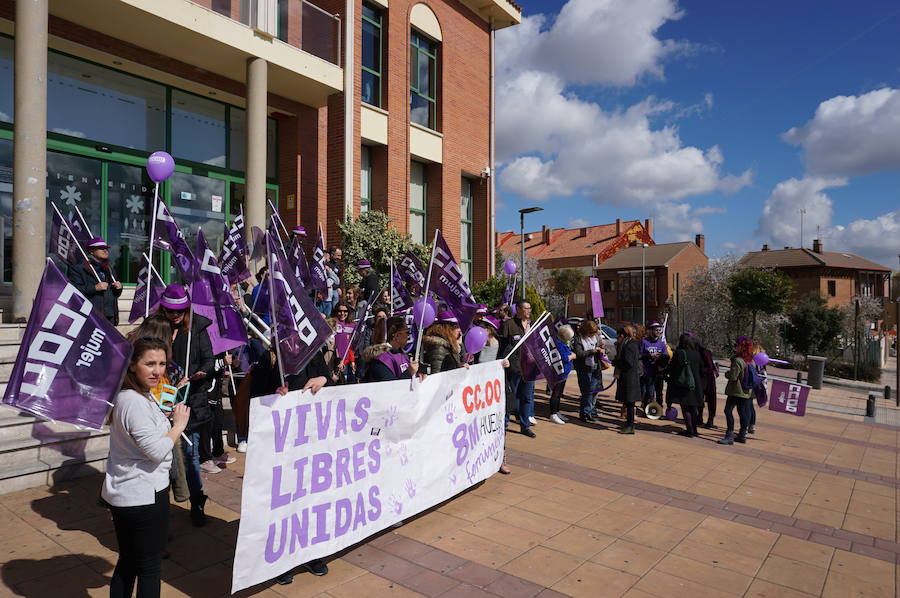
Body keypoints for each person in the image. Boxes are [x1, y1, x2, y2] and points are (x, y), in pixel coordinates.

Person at [102, 337, 190, 598]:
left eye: (162, 363)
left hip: (127, 493)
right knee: (149, 568)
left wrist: (164, 419)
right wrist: (178, 426)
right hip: (143, 496)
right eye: (149, 363)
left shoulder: (137, 396)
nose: (157, 371)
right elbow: (155, 451)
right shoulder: (133, 401)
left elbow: (146, 434)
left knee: (128, 561)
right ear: (131, 365)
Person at [249, 343, 331, 583]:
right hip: (280, 443)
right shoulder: (269, 359)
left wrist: (322, 380)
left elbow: (330, 380)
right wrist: (274, 395)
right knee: (283, 501)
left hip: (310, 439)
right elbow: (256, 397)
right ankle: (280, 558)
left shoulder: (311, 353)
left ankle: (309, 552)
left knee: (309, 496)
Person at [157, 285, 215, 526]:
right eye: (171, 311)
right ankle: (160, 508)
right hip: (160, 400)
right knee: (161, 456)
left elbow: (209, 360)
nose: (175, 315)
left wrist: (198, 373)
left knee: (190, 455)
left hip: (189, 400)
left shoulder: (197, 329)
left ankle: (196, 501)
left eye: (180, 310)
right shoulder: (157, 328)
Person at [498, 300, 536, 438]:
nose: (528, 311)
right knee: (510, 397)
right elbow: (502, 346)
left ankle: (525, 426)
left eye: (529, 308)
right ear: (518, 310)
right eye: (526, 308)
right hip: (514, 368)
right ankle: (504, 425)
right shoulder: (509, 325)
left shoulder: (534, 325)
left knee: (527, 398)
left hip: (530, 368)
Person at [68, 236, 123, 325]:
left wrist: (119, 288)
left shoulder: (109, 269)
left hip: (110, 317)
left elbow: (116, 294)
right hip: (92, 317)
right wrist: (95, 288)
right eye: (101, 248)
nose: (105, 251)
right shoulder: (79, 269)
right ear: (91, 251)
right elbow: (74, 290)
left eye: (106, 248)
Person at [666, 333, 706, 437]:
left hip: (683, 384)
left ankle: (689, 430)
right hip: (695, 384)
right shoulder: (697, 354)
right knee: (693, 407)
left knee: (685, 407)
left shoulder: (679, 353)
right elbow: (702, 369)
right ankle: (694, 429)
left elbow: (672, 368)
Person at [718, 337, 755, 445]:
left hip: (735, 391)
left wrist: (726, 374)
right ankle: (742, 435)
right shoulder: (750, 360)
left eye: (737, 345)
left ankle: (729, 435)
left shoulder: (738, 361)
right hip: (746, 391)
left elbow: (733, 377)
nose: (735, 347)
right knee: (743, 412)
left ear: (741, 347)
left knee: (728, 410)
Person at [364, 316, 421, 381]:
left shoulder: (401, 354)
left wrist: (417, 377)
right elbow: (389, 387)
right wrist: (409, 373)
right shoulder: (381, 359)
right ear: (397, 336)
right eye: (407, 332)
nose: (408, 335)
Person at [572, 319, 605, 422]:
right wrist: (592, 351)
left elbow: (602, 348)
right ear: (585, 331)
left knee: (594, 391)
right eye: (590, 333)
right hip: (584, 369)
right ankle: (585, 414)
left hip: (596, 368)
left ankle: (590, 411)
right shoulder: (578, 339)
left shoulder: (596, 338)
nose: (592, 335)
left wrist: (601, 349)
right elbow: (579, 354)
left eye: (593, 333)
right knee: (587, 392)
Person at [613, 326, 641, 434]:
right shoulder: (630, 344)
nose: (617, 339)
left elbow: (628, 363)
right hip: (629, 378)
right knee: (628, 403)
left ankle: (630, 426)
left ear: (622, 335)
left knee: (630, 404)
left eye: (618, 336)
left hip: (629, 379)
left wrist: (616, 362)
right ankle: (629, 423)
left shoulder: (629, 345)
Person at [639, 322, 670, 411]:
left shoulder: (662, 343)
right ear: (650, 331)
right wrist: (650, 356)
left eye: (659, 330)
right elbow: (639, 356)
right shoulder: (644, 342)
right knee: (649, 392)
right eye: (656, 330)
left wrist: (661, 359)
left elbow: (666, 356)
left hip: (659, 372)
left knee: (659, 393)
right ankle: (647, 409)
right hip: (648, 372)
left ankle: (659, 411)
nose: (658, 332)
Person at [549, 325, 575, 424]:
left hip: (564, 373)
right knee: (556, 394)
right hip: (559, 372)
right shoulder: (559, 344)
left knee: (559, 393)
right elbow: (564, 358)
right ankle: (553, 413)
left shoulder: (563, 343)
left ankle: (557, 411)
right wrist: (572, 356)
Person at [331, 302, 357, 383]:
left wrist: (352, 361)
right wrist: (338, 361)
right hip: (335, 362)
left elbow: (350, 345)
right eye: (340, 311)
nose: (342, 313)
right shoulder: (332, 323)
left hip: (347, 362)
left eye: (345, 311)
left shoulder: (352, 325)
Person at [697, 339, 720, 428]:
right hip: (708, 379)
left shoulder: (702, 353)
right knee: (706, 400)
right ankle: (703, 418)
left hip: (706, 379)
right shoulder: (705, 352)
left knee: (705, 399)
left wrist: (701, 370)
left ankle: (706, 419)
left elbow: (709, 366)